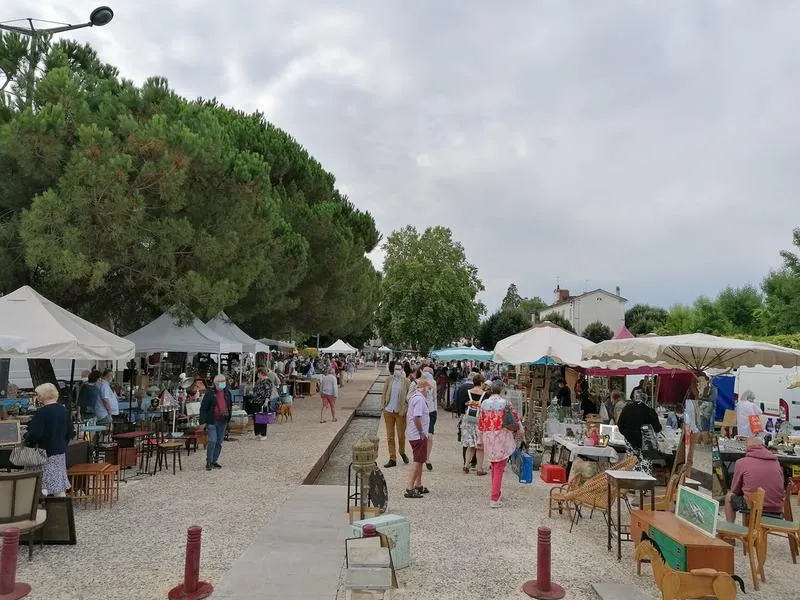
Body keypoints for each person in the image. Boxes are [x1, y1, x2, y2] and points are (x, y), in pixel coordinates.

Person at [478, 379, 523, 508]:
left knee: (494, 465)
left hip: (488, 436)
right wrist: (521, 433)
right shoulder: (505, 403)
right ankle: (494, 498)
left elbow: (480, 422)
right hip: (501, 436)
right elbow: (516, 419)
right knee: (499, 467)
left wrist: (479, 440)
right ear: (502, 390)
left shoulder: (484, 403)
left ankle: (496, 493)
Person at [24, 383, 73, 496]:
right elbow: (70, 432)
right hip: (59, 451)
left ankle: (40, 504)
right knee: (57, 483)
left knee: (40, 483)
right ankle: (61, 505)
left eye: (38, 394)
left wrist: (26, 437)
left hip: (42, 452)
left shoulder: (42, 412)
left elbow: (35, 434)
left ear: (43, 395)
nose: (38, 397)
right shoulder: (63, 410)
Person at [724, 437, 785, 521]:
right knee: (747, 496)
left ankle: (730, 527)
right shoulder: (776, 462)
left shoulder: (741, 462)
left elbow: (735, 490)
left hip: (753, 505)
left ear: (747, 448)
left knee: (729, 497)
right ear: (763, 446)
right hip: (776, 507)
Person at [404, 377, 432, 499]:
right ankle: (410, 487)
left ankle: (418, 484)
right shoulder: (420, 400)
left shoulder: (414, 397)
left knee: (420, 460)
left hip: (413, 434)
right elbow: (417, 417)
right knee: (417, 461)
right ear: (423, 388)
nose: (429, 391)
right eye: (428, 389)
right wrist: (421, 432)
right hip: (418, 435)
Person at [199, 374, 232, 471]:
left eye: (224, 381)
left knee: (219, 442)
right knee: (212, 441)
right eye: (220, 382)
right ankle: (209, 461)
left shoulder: (227, 393)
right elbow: (203, 408)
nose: (223, 383)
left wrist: (229, 417)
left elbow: (229, 405)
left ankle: (214, 460)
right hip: (212, 420)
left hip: (223, 420)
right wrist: (202, 422)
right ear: (215, 383)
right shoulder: (210, 393)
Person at [382, 361, 410, 467]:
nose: (396, 371)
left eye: (398, 369)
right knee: (390, 436)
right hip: (388, 411)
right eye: (395, 369)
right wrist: (383, 405)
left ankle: (402, 452)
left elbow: (409, 396)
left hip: (400, 412)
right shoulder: (389, 379)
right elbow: (384, 392)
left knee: (401, 435)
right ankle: (392, 458)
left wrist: (406, 407)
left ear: (402, 370)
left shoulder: (406, 381)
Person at [460, 374, 487, 475]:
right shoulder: (485, 395)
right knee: (480, 446)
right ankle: (479, 469)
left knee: (470, 444)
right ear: (481, 383)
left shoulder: (467, 392)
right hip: (479, 422)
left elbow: (462, 405)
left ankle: (466, 465)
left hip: (468, 421)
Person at [420, 368, 438, 471]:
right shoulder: (419, 383)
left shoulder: (434, 383)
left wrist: (435, 410)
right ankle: (420, 456)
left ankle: (427, 458)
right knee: (421, 435)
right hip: (422, 411)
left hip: (431, 411)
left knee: (430, 436)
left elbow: (434, 397)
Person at [252, 367, 275, 440]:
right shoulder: (259, 381)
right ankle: (257, 433)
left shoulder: (267, 381)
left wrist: (266, 401)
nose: (257, 375)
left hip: (262, 401)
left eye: (258, 373)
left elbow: (268, 391)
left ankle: (263, 434)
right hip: (256, 401)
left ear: (261, 373)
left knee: (262, 418)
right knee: (256, 417)